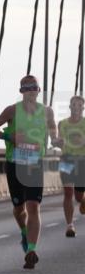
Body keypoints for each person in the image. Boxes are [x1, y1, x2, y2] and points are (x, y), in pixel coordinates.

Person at [0, 75, 58, 269]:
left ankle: (31, 250)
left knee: (33, 206)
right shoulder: (12, 111)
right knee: (19, 209)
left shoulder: (47, 112)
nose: (30, 90)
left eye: (33, 87)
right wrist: (9, 136)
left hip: (34, 164)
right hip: (14, 164)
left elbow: (53, 133)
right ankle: (24, 232)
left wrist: (59, 141)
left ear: (39, 90)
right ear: (21, 92)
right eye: (26, 88)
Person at [55, 95, 85, 237]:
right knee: (68, 192)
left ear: (83, 108)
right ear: (69, 107)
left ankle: (83, 200)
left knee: (79, 197)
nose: (76, 108)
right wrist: (57, 142)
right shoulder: (63, 124)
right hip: (66, 159)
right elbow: (60, 139)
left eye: (79, 105)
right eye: (73, 105)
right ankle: (70, 225)